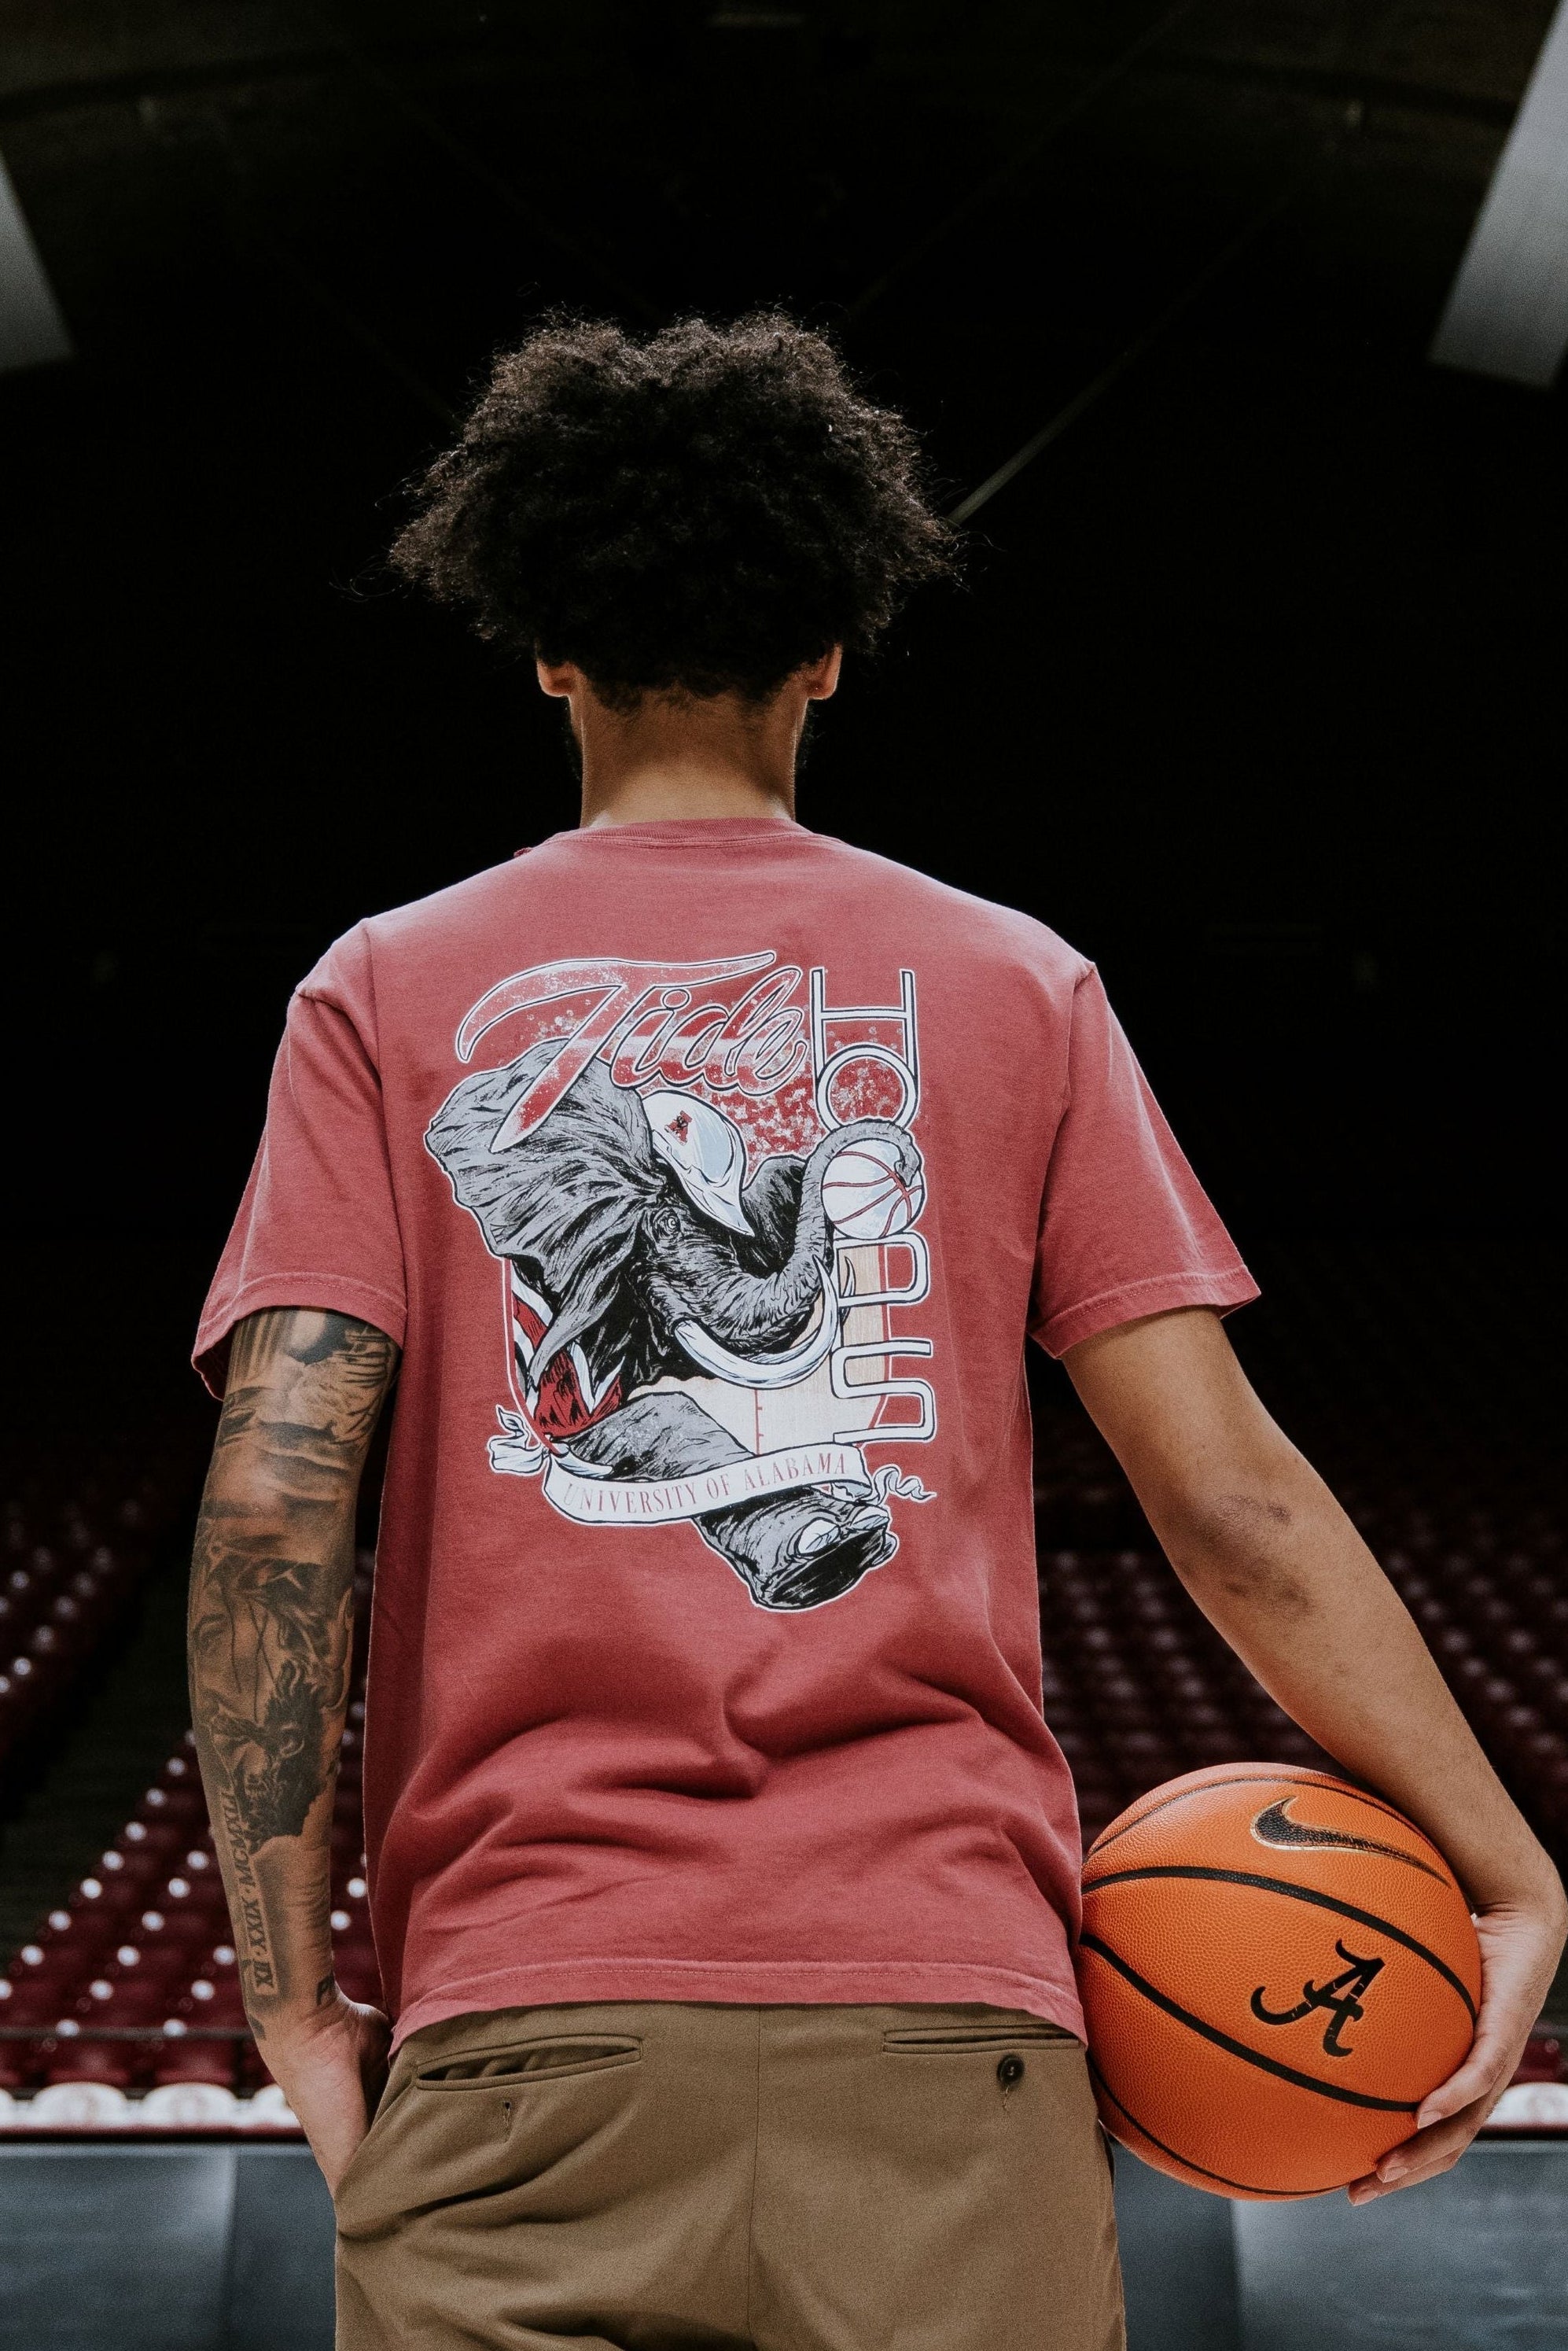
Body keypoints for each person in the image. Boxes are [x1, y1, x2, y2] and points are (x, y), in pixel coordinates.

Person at [187, 314, 1565, 2351]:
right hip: (945, 2034)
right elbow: (1234, 1509)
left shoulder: (382, 990)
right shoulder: (1016, 987)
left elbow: (273, 1508)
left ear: (542, 646)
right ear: (833, 648)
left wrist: (296, 1998)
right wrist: (1508, 1872)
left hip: (526, 2027)